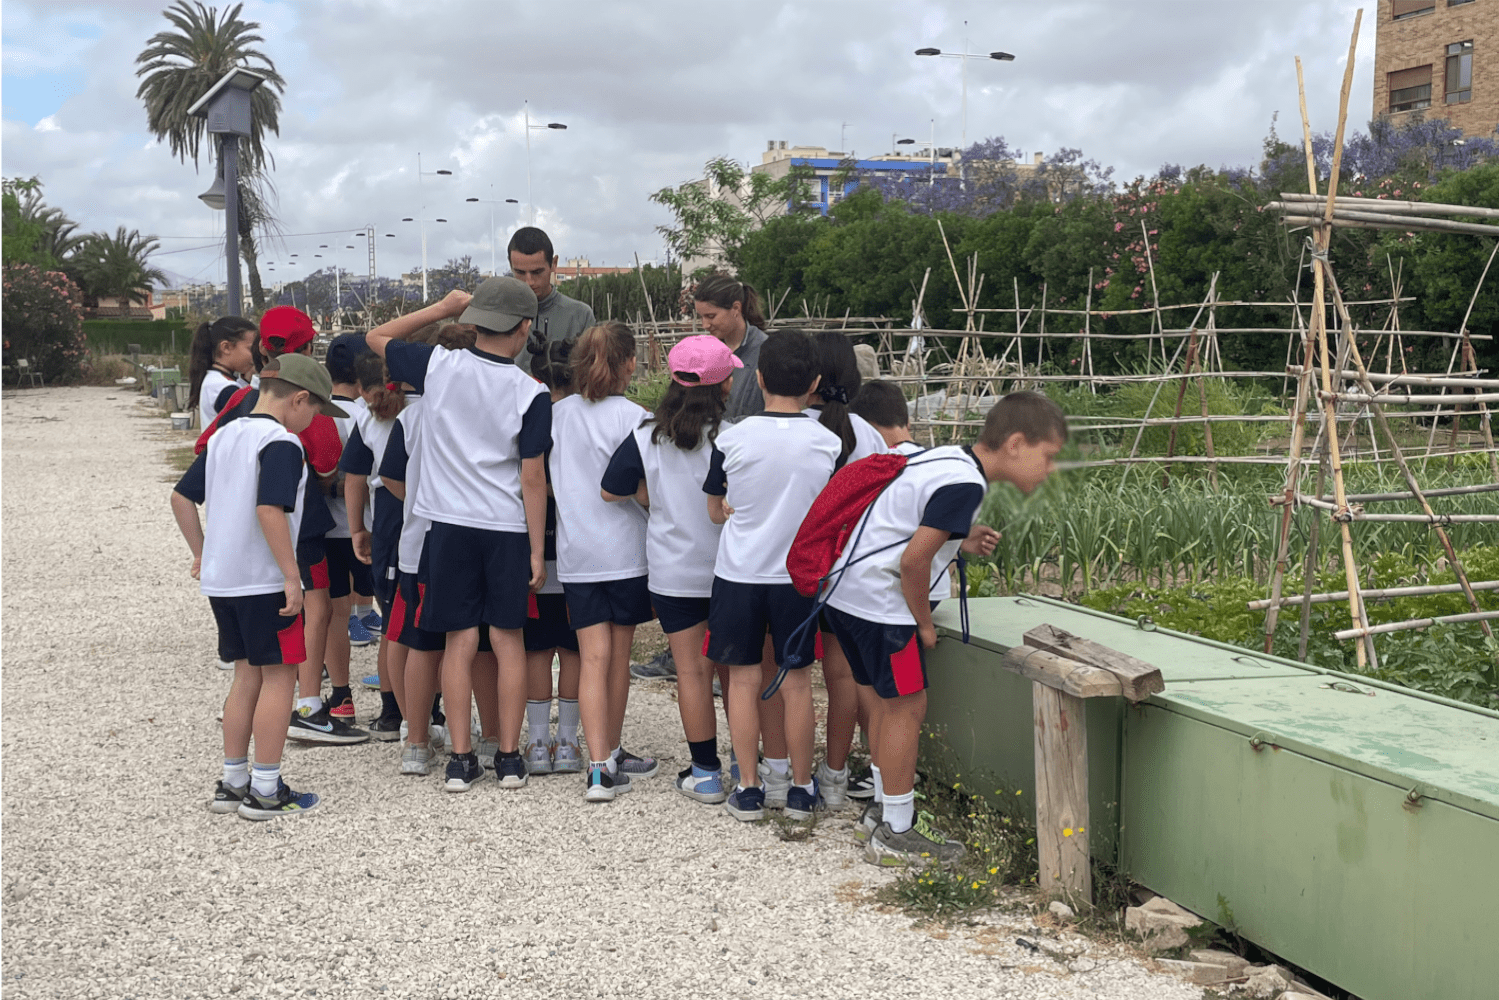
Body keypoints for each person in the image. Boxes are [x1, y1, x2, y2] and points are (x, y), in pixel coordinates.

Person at [823, 391, 1064, 866]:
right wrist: (924, 622)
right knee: (907, 709)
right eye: (1048, 456)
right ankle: (898, 831)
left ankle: (882, 811)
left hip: (846, 597)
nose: (1051, 469)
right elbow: (914, 562)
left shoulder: (947, 459)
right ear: (1016, 444)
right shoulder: (966, 484)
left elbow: (905, 520)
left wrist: (959, 537)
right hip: (884, 610)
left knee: (885, 703)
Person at [367, 281, 548, 794]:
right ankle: (508, 756)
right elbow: (532, 476)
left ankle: (460, 759)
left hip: (447, 525)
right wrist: (537, 549)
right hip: (506, 527)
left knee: (458, 640)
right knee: (507, 641)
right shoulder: (531, 393)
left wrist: (443, 307)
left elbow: (376, 336)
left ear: (477, 320)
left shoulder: (438, 366)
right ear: (524, 328)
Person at [170, 353, 349, 820]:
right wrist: (292, 576)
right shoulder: (281, 442)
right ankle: (267, 787)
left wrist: (202, 552)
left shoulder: (223, 435)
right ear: (299, 399)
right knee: (280, 676)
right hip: (265, 580)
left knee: (245, 675)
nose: (315, 420)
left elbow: (181, 497)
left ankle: (233, 781)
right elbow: (270, 510)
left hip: (224, 581)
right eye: (316, 410)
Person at [198, 306, 368, 747]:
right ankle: (308, 707)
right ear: (308, 349)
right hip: (300, 535)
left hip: (231, 557)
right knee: (315, 615)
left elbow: (199, 457)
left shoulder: (239, 402)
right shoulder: (296, 418)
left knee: (246, 672)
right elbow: (326, 465)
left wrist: (201, 550)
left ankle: (238, 764)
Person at [705, 330, 842, 823]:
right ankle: (802, 789)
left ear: (759, 378)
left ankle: (748, 787)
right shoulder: (829, 443)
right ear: (814, 383)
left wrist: (730, 506)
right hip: (799, 579)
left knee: (742, 681)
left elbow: (715, 512)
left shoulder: (731, 438)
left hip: (739, 574)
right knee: (797, 683)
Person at [602, 335, 736, 804]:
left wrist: (653, 497)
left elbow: (610, 489)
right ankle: (746, 764)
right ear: (724, 385)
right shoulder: (732, 436)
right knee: (735, 673)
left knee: (691, 673)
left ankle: (705, 774)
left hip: (673, 571)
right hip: (730, 569)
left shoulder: (647, 435)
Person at [550, 321, 657, 802]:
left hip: (577, 552)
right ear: (630, 364)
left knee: (591, 657)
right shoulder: (637, 418)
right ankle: (612, 749)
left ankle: (597, 767)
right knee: (617, 658)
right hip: (627, 552)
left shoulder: (555, 416)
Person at [802, 331, 888, 810]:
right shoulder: (865, 433)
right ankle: (840, 775)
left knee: (788, 678)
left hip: (792, 569)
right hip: (848, 571)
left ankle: (781, 769)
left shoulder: (790, 426)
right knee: (845, 678)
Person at [521, 337, 584, 776]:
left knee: (537, 649)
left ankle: (539, 742)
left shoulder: (532, 417)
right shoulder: (585, 418)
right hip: (579, 550)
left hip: (536, 546)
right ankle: (569, 742)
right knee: (575, 649)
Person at [341, 351, 407, 739]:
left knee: (394, 622)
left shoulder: (368, 418)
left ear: (362, 388)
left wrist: (357, 529)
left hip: (388, 514)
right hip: (432, 508)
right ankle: (431, 710)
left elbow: (354, 477)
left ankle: (392, 712)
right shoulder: (425, 407)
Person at [320, 334, 377, 720]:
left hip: (327, 529)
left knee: (334, 615)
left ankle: (341, 697)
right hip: (369, 527)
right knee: (391, 616)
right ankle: (397, 697)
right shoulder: (368, 415)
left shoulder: (316, 412)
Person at [506, 227, 597, 378]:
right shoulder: (498, 315)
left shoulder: (581, 315)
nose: (529, 282)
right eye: (520, 272)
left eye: (537, 272)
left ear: (554, 264)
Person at [693, 274, 769, 423]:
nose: (705, 325)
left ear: (736, 308)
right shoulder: (705, 353)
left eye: (711, 316)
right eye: (701, 317)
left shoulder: (766, 351)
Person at [188, 317, 256, 430]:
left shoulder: (214, 379)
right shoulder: (226, 389)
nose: (255, 355)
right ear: (226, 347)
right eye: (251, 349)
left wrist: (246, 380)